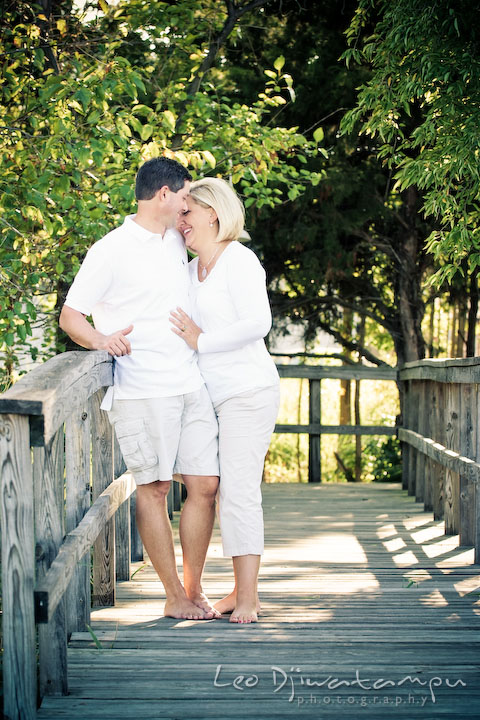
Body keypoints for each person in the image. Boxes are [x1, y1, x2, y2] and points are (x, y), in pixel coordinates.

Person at [59, 157, 221, 621]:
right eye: (185, 195)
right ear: (165, 195)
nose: (188, 205)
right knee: (153, 489)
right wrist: (100, 340)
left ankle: (194, 587)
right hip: (142, 386)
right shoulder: (110, 250)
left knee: (206, 485)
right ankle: (174, 595)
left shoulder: (178, 239)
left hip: (189, 381)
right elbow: (72, 315)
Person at [170, 177, 280, 623]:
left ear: (212, 212)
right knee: (211, 489)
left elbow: (260, 323)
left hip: (248, 393)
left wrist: (202, 340)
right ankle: (237, 590)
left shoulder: (240, 260)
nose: (181, 223)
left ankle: (249, 598)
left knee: (239, 492)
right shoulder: (191, 270)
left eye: (187, 213)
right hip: (208, 399)